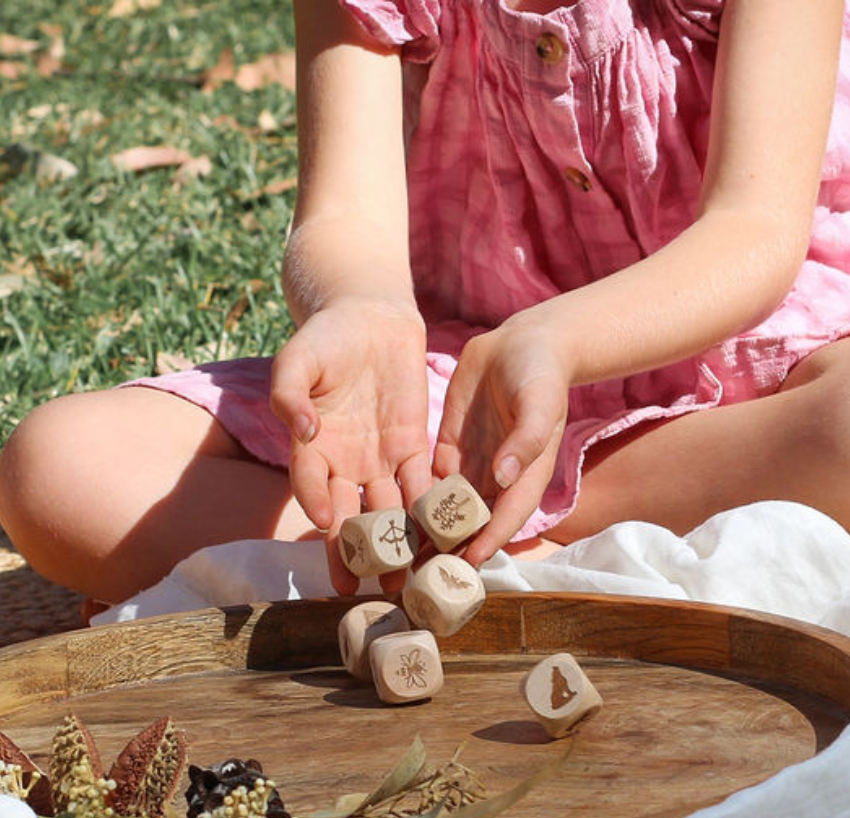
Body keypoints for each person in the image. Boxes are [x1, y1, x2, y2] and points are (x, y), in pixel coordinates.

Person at [1, 0, 849, 607]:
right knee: (62, 470)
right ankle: (527, 563)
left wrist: (556, 339)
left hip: (740, 358)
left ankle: (461, 556)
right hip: (461, 403)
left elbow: (753, 231)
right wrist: (359, 306)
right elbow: (342, 218)